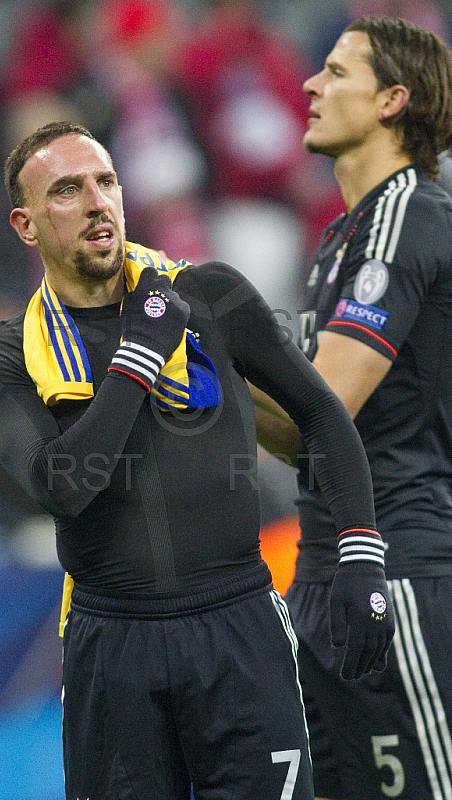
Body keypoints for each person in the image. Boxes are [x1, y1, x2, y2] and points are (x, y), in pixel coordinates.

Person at [0, 120, 394, 800]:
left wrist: (362, 551)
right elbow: (62, 486)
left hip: (239, 625)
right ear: (26, 224)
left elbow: (321, 416)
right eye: (68, 190)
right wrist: (139, 355)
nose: (97, 201)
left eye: (105, 181)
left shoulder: (209, 295)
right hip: (113, 646)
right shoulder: (5, 354)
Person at [251, 16, 452, 800]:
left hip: (394, 570)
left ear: (392, 101)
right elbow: (307, 440)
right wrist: (207, 367)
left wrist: (230, 337)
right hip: (326, 574)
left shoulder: (408, 214)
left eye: (337, 73)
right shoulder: (343, 238)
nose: (310, 84)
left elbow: (324, 403)